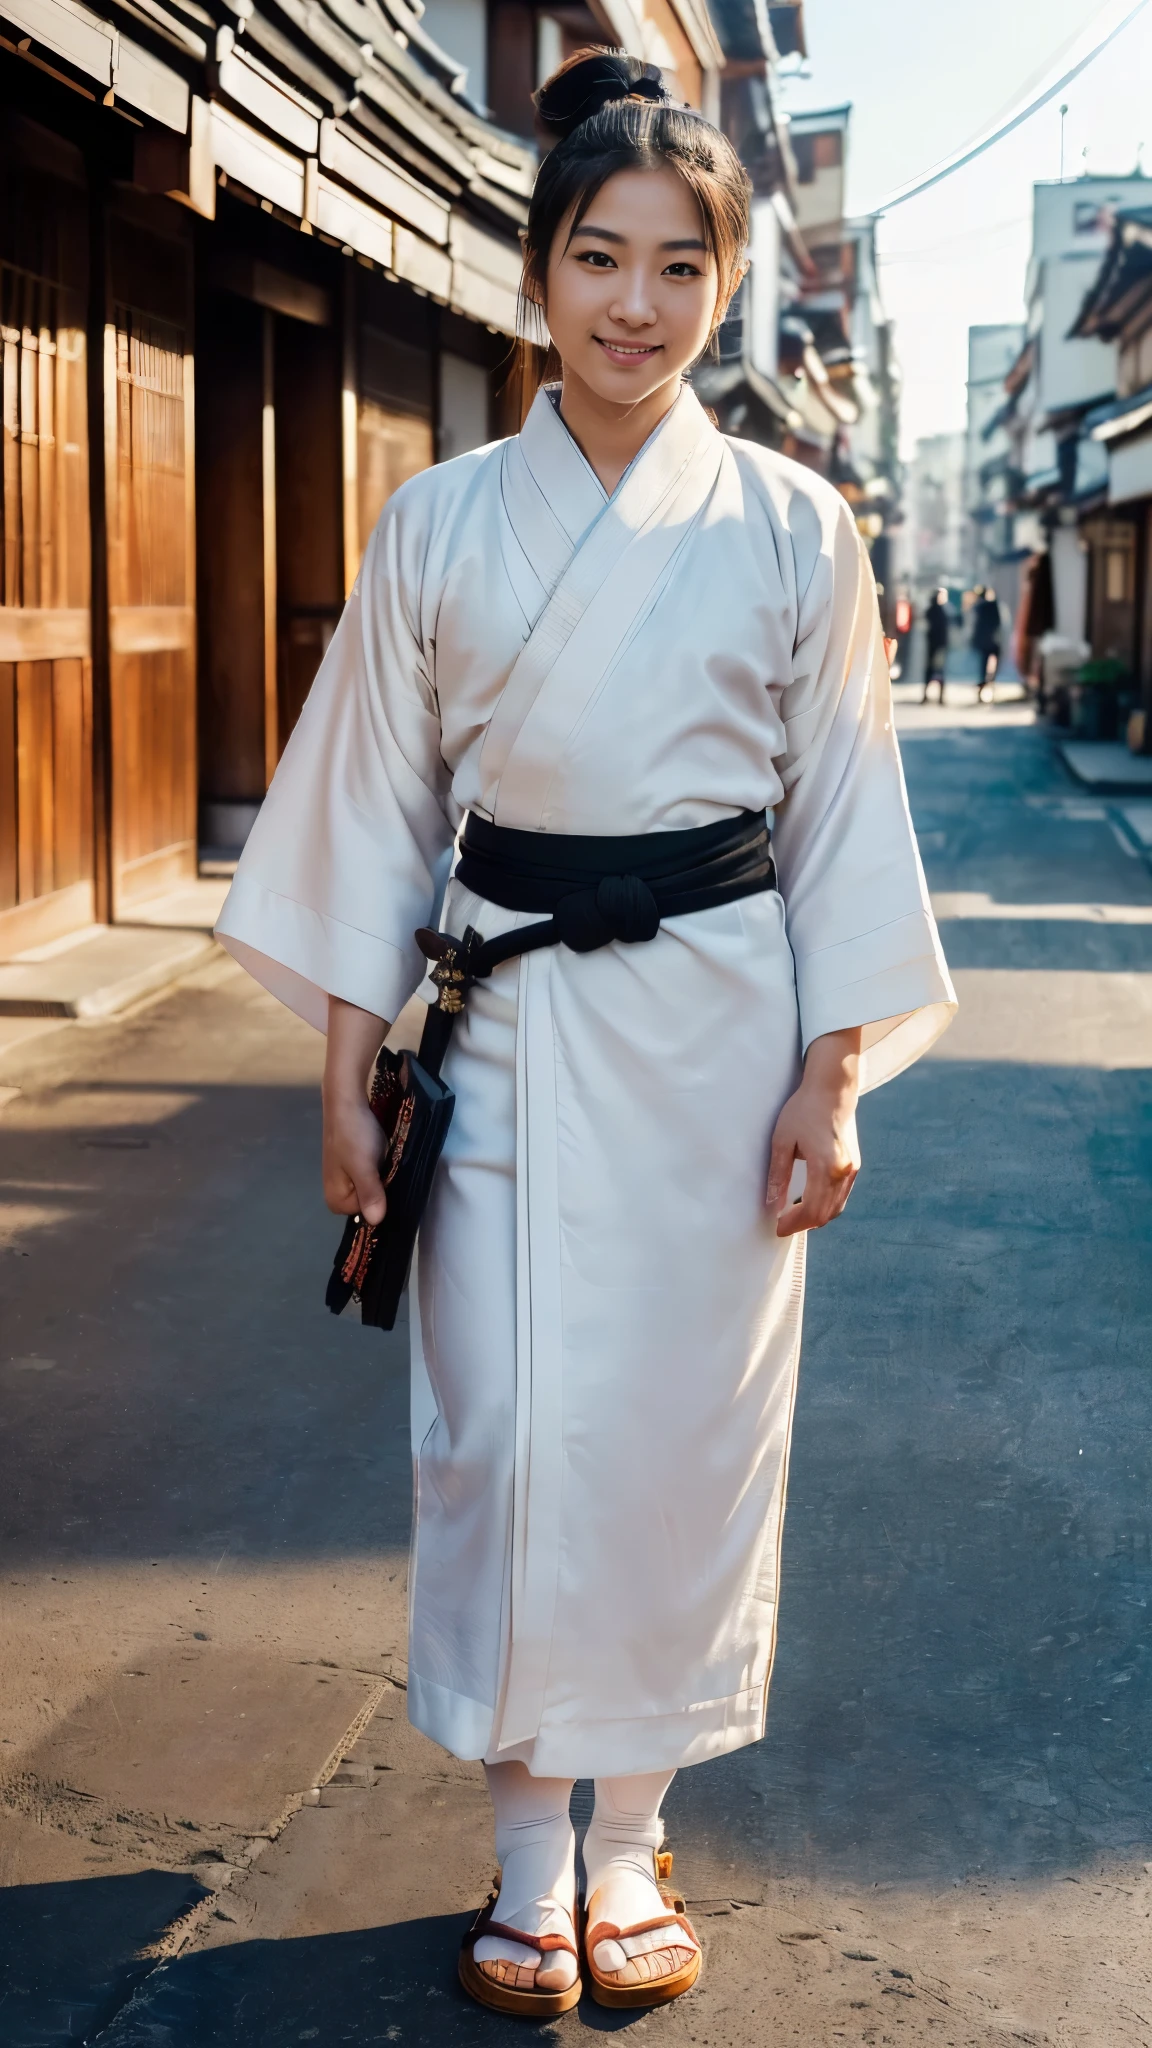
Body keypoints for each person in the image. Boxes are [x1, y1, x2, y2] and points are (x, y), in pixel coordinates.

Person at [216, 48, 956, 2019]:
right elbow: (370, 804)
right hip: (507, 1026)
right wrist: (342, 1068)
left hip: (723, 1029)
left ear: (723, 286)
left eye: (681, 267)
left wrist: (837, 1068)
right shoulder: (441, 522)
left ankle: (632, 1837)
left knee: (680, 1444)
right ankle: (526, 1844)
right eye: (600, 257)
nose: (637, 304)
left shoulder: (800, 529)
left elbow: (840, 819)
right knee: (509, 1436)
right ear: (538, 267)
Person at [971, 584, 1002, 702]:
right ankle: (988, 688)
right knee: (991, 668)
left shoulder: (980, 607)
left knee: (983, 668)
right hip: (993, 642)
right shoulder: (993, 606)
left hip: (985, 643)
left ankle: (983, 689)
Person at [923, 586, 950, 704]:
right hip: (937, 644)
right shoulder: (939, 610)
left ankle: (936, 697)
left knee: (936, 670)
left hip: (936, 644)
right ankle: (935, 697)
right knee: (936, 670)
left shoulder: (935, 610)